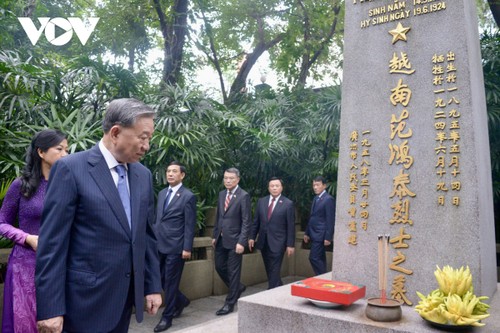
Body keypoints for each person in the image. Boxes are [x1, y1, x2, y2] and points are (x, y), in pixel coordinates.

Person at [35, 98, 162, 333]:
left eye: (149, 139)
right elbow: (52, 244)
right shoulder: (72, 169)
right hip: (83, 303)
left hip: (123, 302)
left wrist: (152, 285)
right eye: (142, 137)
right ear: (115, 132)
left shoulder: (142, 175)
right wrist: (50, 308)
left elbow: (146, 235)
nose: (146, 146)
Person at [0, 129, 68, 333]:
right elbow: (2, 222)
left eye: (67, 149)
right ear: (41, 152)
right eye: (59, 149)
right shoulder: (21, 185)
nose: (65, 154)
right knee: (26, 323)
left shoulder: (67, 185)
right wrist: (27, 238)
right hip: (25, 265)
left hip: (59, 263)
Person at [153, 161, 196, 332]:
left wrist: (187, 248)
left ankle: (167, 317)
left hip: (176, 247)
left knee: (170, 282)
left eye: (174, 171)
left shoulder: (188, 196)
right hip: (159, 244)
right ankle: (182, 300)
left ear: (182, 175)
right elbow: (158, 219)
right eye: (168, 171)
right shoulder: (163, 193)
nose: (170, 174)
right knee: (162, 279)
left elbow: (189, 224)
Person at [212, 167, 251, 315]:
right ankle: (238, 287)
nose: (227, 181)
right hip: (221, 239)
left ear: (238, 180)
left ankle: (230, 303)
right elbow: (219, 217)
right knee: (219, 267)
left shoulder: (243, 196)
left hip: (236, 241)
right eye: (225, 178)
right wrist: (215, 235)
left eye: (231, 178)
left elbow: (247, 221)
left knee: (234, 272)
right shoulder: (222, 194)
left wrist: (242, 242)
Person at [249, 177, 295, 289]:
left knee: (274, 268)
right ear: (268, 188)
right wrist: (251, 237)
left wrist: (290, 245)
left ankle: (271, 293)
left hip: (279, 242)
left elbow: (291, 226)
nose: (274, 188)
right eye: (272, 186)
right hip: (264, 241)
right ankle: (278, 285)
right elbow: (256, 222)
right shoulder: (261, 201)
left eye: (277, 186)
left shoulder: (288, 204)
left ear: (281, 188)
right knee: (269, 268)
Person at [303, 176, 336, 275]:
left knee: (313, 257)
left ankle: (321, 277)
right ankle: (322, 278)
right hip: (313, 233)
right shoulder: (316, 198)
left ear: (324, 186)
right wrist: (306, 233)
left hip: (321, 234)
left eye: (318, 185)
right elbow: (312, 217)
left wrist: (328, 237)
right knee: (320, 257)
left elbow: (330, 219)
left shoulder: (328, 199)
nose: (315, 187)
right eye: (314, 185)